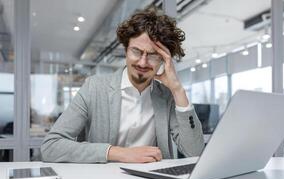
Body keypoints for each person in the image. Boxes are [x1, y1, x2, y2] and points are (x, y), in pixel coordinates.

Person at [41, 9, 205, 163]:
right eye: (136, 51)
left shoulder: (166, 96)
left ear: (163, 60)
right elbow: (51, 146)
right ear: (126, 50)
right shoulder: (94, 88)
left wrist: (177, 89)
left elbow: (195, 152)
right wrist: (119, 153)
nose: (142, 62)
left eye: (153, 55)